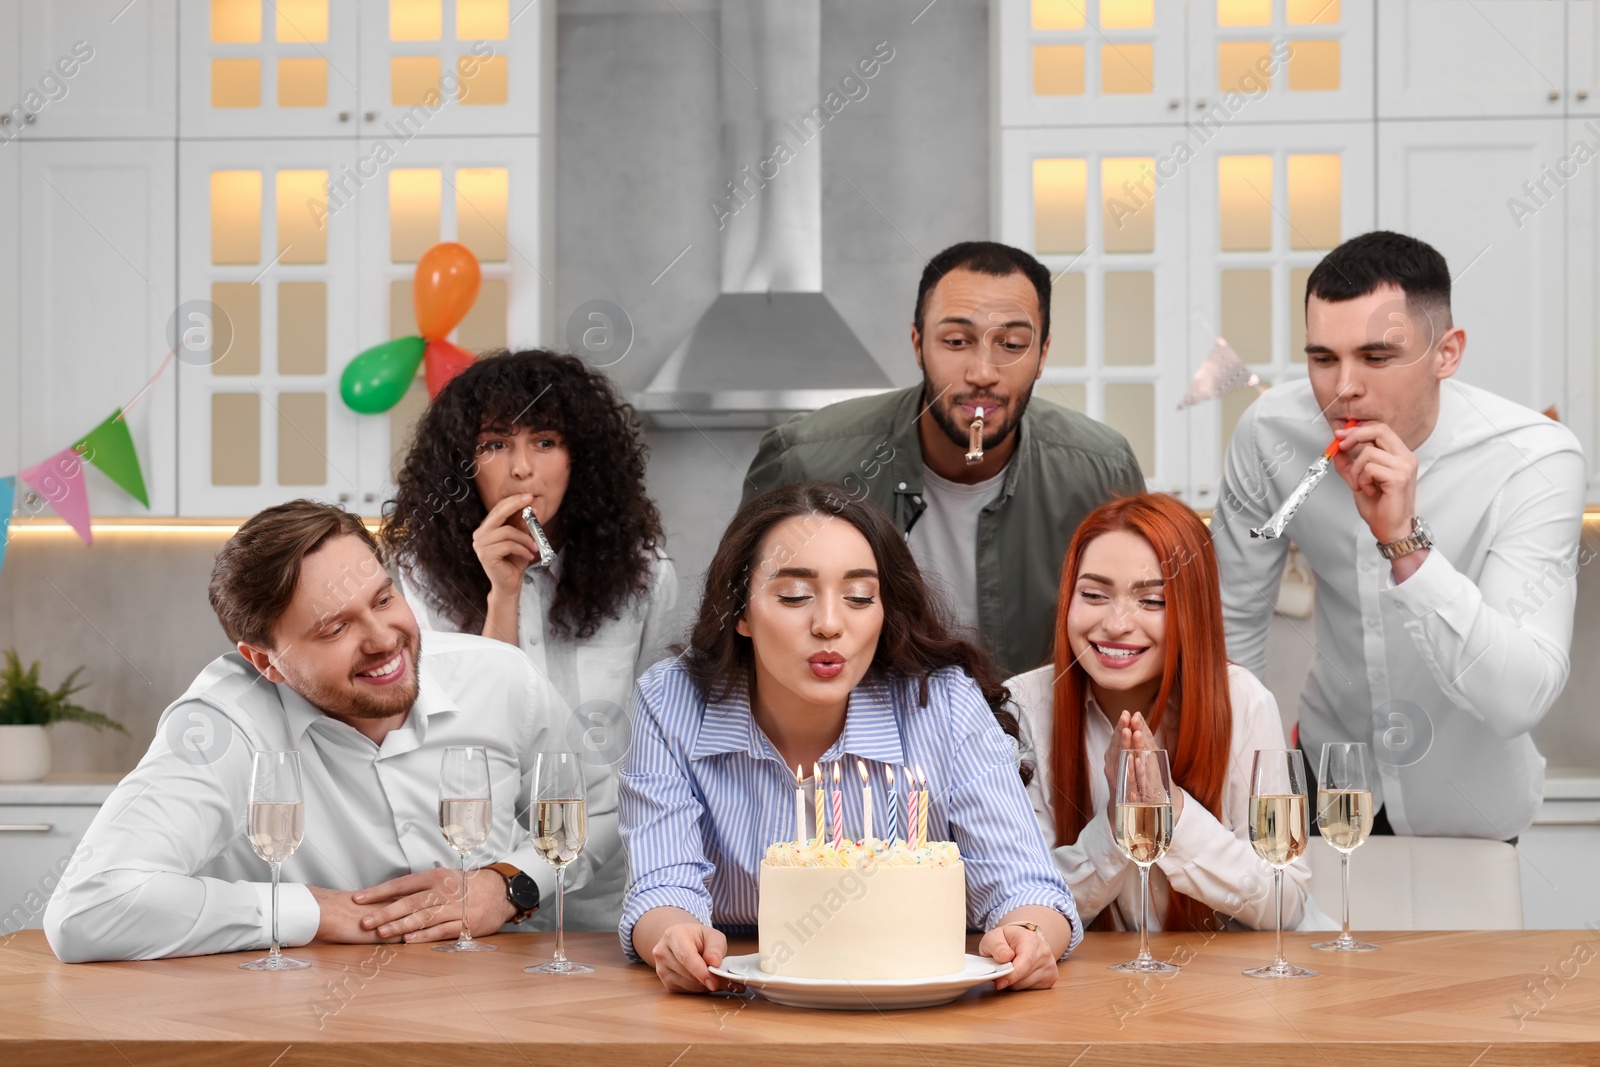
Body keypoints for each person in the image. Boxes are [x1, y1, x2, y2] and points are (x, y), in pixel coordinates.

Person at [44, 501, 611, 962]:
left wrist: (509, 886)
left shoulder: (498, 676)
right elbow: (87, 909)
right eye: (335, 627)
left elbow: (606, 811)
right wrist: (316, 911)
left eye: (384, 599)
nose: (383, 639)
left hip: (502, 1003)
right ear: (264, 661)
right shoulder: (220, 725)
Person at [618, 481, 1082, 995]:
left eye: (860, 597)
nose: (829, 624)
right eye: (794, 595)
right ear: (742, 612)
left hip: (922, 1002)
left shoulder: (945, 703)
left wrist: (1031, 935)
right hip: (735, 1002)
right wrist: (675, 937)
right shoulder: (670, 700)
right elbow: (662, 884)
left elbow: (1027, 885)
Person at [1213, 231, 1587, 841]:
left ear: (1447, 353)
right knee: (1321, 940)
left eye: (1377, 357)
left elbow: (1521, 696)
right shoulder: (1272, 436)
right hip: (1328, 789)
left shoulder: (1532, 459)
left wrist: (1406, 543)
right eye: (1322, 358)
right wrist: (1241, 796)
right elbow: (1232, 632)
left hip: (1473, 812)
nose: (1342, 388)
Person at [742, 241, 1144, 677]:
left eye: (1012, 344)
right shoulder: (801, 461)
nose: (982, 373)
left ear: (1042, 355)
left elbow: (1147, 632)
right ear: (918, 345)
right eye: (956, 341)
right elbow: (745, 633)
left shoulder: (1102, 469)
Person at [381, 349, 677, 929]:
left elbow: (658, 742)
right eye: (495, 444)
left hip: (614, 870)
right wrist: (504, 593)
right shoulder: (421, 577)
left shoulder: (645, 577)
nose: (522, 469)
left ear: (580, 458)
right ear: (462, 465)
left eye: (545, 442)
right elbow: (467, 735)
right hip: (479, 862)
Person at [1007, 493, 1310, 933]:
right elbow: (1014, 901)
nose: (1116, 624)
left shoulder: (1243, 701)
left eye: (1151, 602)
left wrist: (1170, 810)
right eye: (1093, 594)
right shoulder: (1024, 706)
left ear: (1193, 609)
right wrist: (1116, 825)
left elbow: (1287, 900)